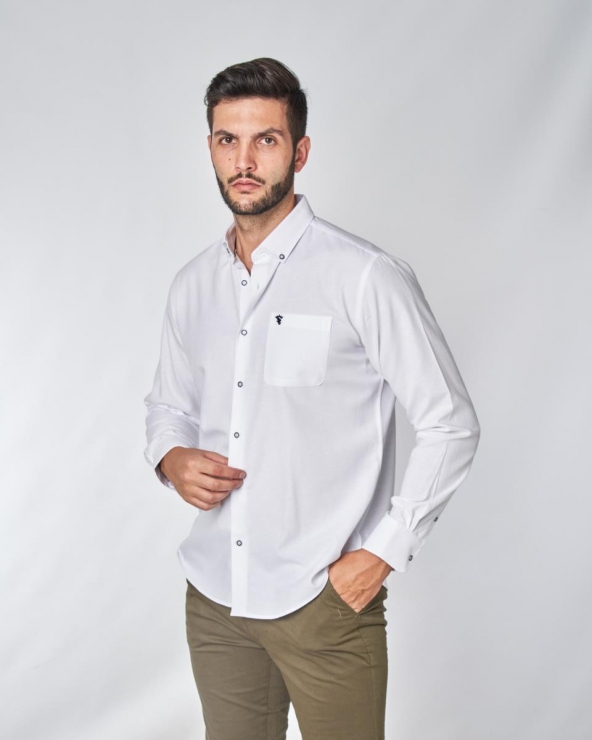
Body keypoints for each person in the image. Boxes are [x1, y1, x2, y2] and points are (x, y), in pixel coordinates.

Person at [143, 57, 480, 740]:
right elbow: (168, 405)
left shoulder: (364, 277)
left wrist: (382, 553)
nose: (244, 161)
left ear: (298, 152)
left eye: (265, 140)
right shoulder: (192, 284)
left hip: (324, 600)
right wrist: (170, 457)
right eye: (228, 139)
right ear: (209, 147)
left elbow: (450, 423)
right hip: (215, 596)